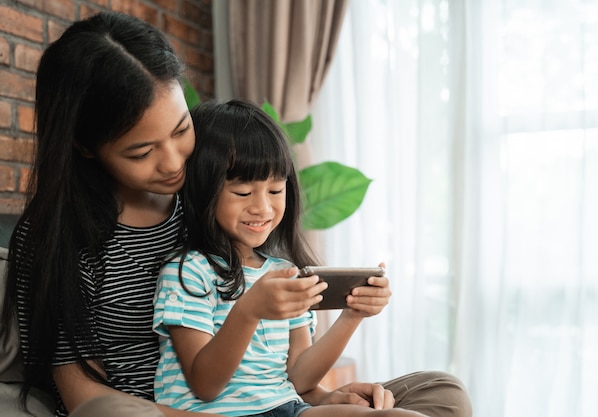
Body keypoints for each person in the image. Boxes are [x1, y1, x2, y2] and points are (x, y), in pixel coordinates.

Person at [0, 10, 471, 417]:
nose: (173, 162)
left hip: (265, 403)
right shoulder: (55, 240)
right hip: (157, 410)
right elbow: (83, 397)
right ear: (84, 146)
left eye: (181, 129)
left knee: (442, 393)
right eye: (141, 151)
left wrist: (325, 397)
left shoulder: (216, 199)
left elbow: (283, 366)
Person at [153, 99, 425, 417]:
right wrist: (249, 310)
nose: (262, 208)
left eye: (275, 190)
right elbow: (205, 384)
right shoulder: (188, 272)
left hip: (287, 407)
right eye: (242, 192)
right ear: (203, 192)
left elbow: (300, 377)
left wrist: (353, 314)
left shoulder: (285, 273)